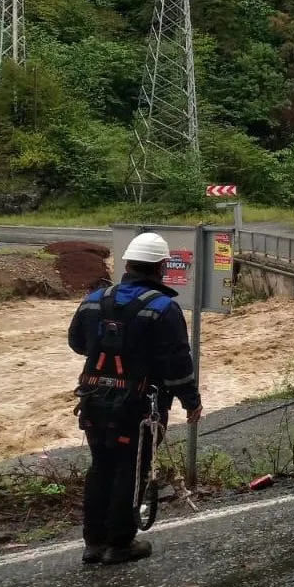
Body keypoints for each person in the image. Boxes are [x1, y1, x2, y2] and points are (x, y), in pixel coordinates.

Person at [68, 232, 201, 565]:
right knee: (131, 467)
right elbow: (177, 364)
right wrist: (191, 402)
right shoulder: (163, 308)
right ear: (160, 268)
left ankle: (93, 544)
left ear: (126, 264)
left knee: (101, 466)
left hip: (95, 400)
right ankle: (120, 544)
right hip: (141, 406)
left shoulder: (94, 300)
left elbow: (78, 344)